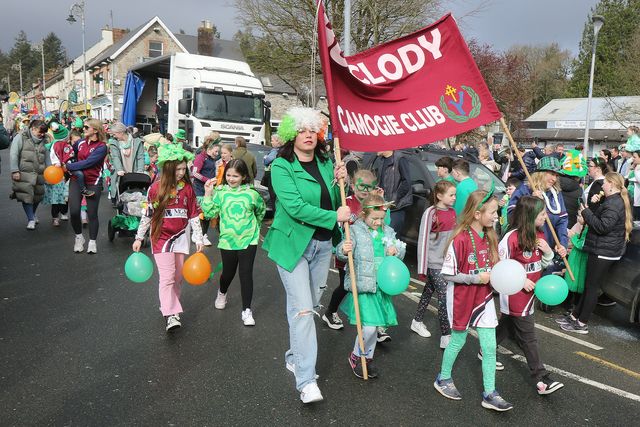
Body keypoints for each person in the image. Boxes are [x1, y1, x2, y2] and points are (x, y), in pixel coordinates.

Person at [262, 107, 350, 404]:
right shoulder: (281, 167)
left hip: (323, 246)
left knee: (309, 306)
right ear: (291, 134)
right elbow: (295, 207)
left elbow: (335, 200)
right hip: (292, 247)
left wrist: (342, 182)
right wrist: (334, 215)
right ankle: (306, 381)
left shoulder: (326, 162)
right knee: (302, 312)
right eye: (302, 130)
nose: (308, 135)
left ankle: (293, 355)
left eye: (313, 129)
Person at [433, 190, 513, 412]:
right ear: (477, 214)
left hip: (484, 297)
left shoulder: (490, 237)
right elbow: (448, 275)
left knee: (489, 347)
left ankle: (490, 393)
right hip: (462, 297)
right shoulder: (459, 239)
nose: (496, 216)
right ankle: (443, 378)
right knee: (458, 341)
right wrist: (475, 278)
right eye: (493, 212)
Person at [497, 196, 564, 395]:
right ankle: (541, 378)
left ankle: (486, 349)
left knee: (507, 326)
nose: (546, 216)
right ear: (530, 215)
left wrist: (548, 254)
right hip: (514, 294)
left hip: (531, 293)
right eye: (542, 214)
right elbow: (499, 266)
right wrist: (519, 280)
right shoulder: (511, 238)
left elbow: (540, 266)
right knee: (528, 336)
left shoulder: (540, 234)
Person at [133, 144, 203, 332]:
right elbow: (147, 214)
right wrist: (139, 237)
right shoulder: (155, 188)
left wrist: (198, 237)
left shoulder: (188, 189)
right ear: (169, 168)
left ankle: (170, 305)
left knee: (177, 277)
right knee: (167, 277)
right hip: (161, 238)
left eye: (184, 169)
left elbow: (194, 214)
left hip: (180, 237)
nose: (181, 172)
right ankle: (171, 314)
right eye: (178, 169)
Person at [336, 194, 406, 378]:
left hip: (380, 287)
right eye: (374, 219)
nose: (377, 222)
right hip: (364, 285)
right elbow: (342, 250)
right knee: (367, 327)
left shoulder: (388, 231)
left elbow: (400, 250)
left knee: (374, 327)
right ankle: (356, 355)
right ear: (363, 215)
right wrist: (344, 249)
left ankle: (367, 358)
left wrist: (396, 251)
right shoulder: (355, 231)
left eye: (381, 219)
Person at [558, 173, 631, 334]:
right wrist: (594, 207)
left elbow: (602, 227)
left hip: (604, 252)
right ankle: (575, 316)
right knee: (589, 286)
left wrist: (586, 213)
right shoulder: (612, 201)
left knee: (592, 288)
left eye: (604, 183)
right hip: (603, 250)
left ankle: (582, 323)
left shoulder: (614, 204)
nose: (602, 185)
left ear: (611, 184)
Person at [201, 159, 266, 325]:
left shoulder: (252, 194)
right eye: (228, 175)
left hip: (248, 240)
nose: (231, 178)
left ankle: (247, 311)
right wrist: (208, 194)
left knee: (246, 274)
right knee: (228, 273)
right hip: (228, 241)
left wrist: (255, 227)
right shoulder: (220, 193)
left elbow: (260, 211)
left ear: (243, 176)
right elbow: (209, 213)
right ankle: (222, 292)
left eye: (235, 176)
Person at [322, 169, 387, 331]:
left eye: (369, 187)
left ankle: (374, 324)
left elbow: (385, 224)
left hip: (369, 254)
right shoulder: (347, 202)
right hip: (349, 252)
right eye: (362, 186)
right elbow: (340, 226)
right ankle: (330, 312)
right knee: (346, 286)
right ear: (352, 186)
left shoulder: (375, 203)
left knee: (373, 287)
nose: (365, 190)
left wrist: (381, 202)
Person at [414, 180, 456, 347]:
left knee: (428, 292)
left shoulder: (452, 212)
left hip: (446, 263)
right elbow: (423, 240)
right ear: (439, 195)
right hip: (434, 262)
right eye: (451, 195)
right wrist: (422, 267)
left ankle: (416, 321)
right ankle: (446, 336)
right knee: (444, 296)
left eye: (455, 195)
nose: (454, 198)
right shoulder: (431, 213)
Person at [508, 156, 568, 260]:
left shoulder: (556, 194)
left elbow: (562, 220)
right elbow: (511, 217)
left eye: (556, 175)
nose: (554, 179)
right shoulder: (524, 190)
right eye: (552, 174)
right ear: (541, 173)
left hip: (548, 250)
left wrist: (563, 243)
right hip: (525, 249)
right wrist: (531, 201)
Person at [66, 119, 108, 253]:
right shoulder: (80, 143)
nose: (83, 129)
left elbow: (88, 163)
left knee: (92, 213)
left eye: (86, 127)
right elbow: (68, 153)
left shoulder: (102, 147)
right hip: (76, 180)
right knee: (73, 212)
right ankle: (79, 237)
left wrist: (69, 166)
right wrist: (63, 159)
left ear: (95, 130)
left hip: (93, 181)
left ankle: (92, 242)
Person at [9, 119, 49, 230]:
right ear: (33, 129)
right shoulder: (21, 137)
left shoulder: (44, 140)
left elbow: (47, 156)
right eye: (40, 132)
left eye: (44, 132)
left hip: (40, 172)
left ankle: (33, 214)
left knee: (37, 196)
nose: (42, 134)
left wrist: (49, 170)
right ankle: (31, 219)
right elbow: (14, 153)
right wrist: (14, 170)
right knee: (26, 196)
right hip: (24, 173)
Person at [192, 133, 221, 246]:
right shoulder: (200, 157)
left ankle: (203, 235)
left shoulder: (211, 158)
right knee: (201, 214)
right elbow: (195, 173)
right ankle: (198, 234)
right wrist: (207, 180)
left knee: (207, 214)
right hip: (199, 191)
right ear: (209, 149)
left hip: (208, 190)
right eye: (215, 151)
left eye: (218, 152)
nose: (217, 154)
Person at [375, 150, 412, 233]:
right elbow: (380, 181)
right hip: (382, 206)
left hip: (396, 208)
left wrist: (393, 199)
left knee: (392, 238)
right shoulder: (381, 160)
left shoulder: (400, 159)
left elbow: (406, 183)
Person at [108, 122, 145, 200]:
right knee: (121, 196)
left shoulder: (137, 142)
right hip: (121, 173)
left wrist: (140, 170)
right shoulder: (114, 143)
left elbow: (140, 157)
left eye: (114, 134)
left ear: (121, 132)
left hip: (134, 172)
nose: (113, 136)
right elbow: (115, 157)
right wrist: (119, 169)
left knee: (135, 195)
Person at [45, 123, 71, 226]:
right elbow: (55, 156)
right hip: (56, 172)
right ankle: (55, 216)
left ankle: (63, 212)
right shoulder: (58, 145)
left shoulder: (60, 144)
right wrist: (59, 163)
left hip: (63, 171)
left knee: (65, 194)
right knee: (57, 195)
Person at [262, 134, 283, 211]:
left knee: (273, 196)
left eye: (272, 140)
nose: (271, 142)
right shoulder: (282, 150)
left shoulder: (275, 151)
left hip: (272, 175)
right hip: (278, 176)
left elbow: (267, 160)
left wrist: (265, 158)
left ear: (278, 142)